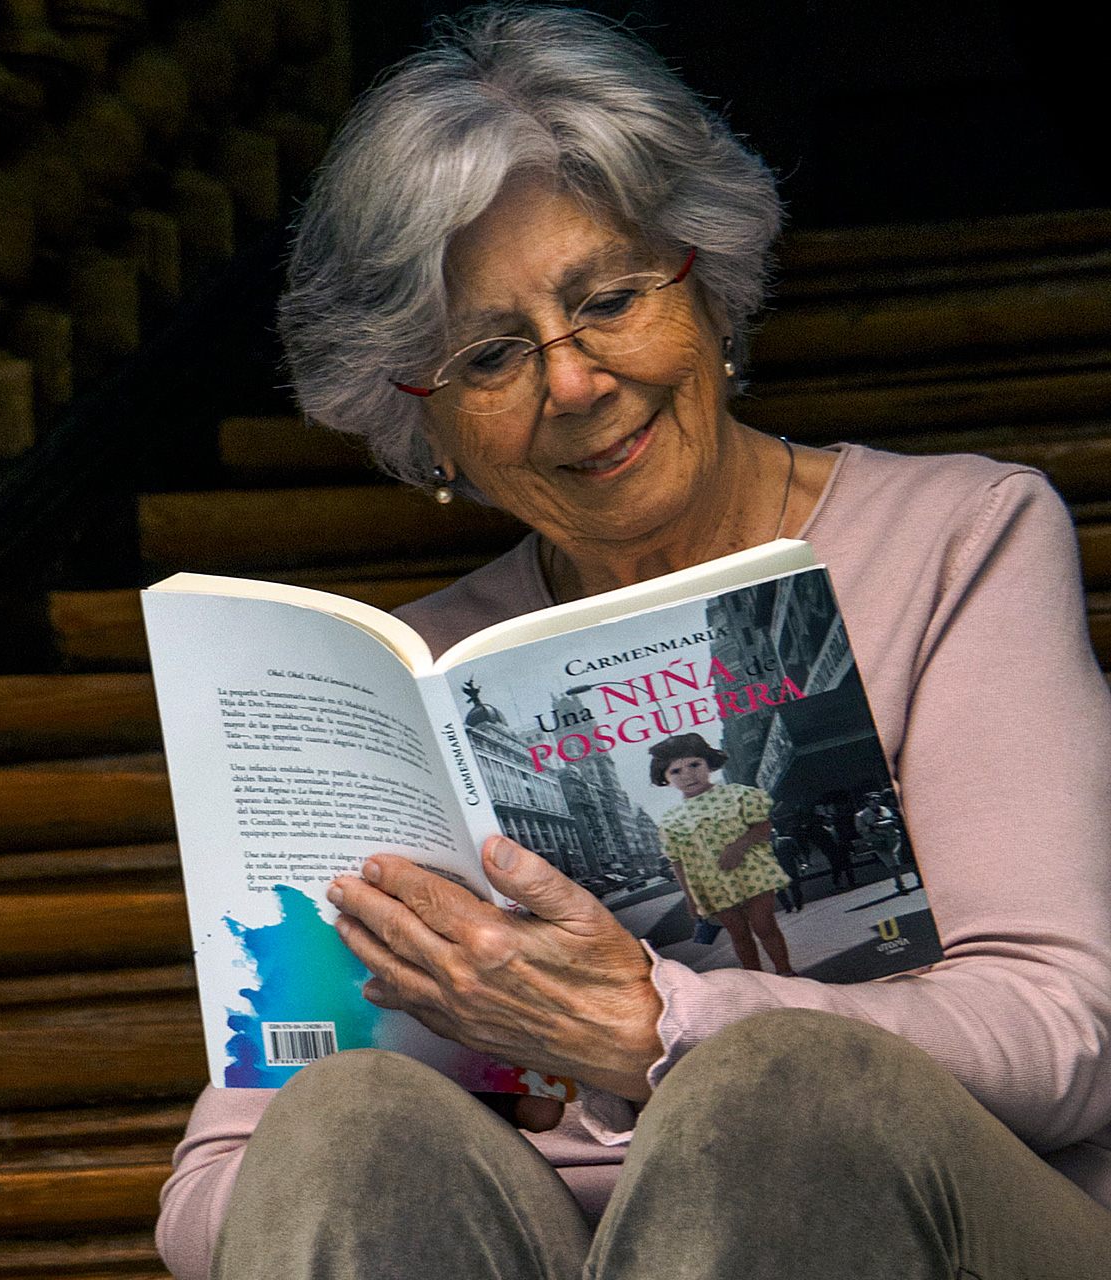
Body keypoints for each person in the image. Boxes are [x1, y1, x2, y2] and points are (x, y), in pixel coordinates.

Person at [156, 8, 1111, 1278]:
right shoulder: (401, 688)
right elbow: (216, 1194)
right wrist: (482, 1081)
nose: (573, 381)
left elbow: (1065, 1027)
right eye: (491, 353)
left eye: (608, 299)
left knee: (775, 1084)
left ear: (706, 285)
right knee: (341, 1119)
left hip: (945, 1209)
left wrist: (656, 1025)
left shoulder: (961, 539)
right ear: (429, 427)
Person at [646, 733, 793, 973]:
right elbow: (678, 862)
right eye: (676, 771)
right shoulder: (672, 820)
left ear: (708, 763)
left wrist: (739, 846)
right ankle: (758, 980)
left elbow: (763, 826)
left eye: (694, 765)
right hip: (712, 884)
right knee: (739, 935)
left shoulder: (737, 794)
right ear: (665, 778)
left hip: (753, 872)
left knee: (764, 925)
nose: (688, 775)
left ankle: (786, 971)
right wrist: (691, 900)